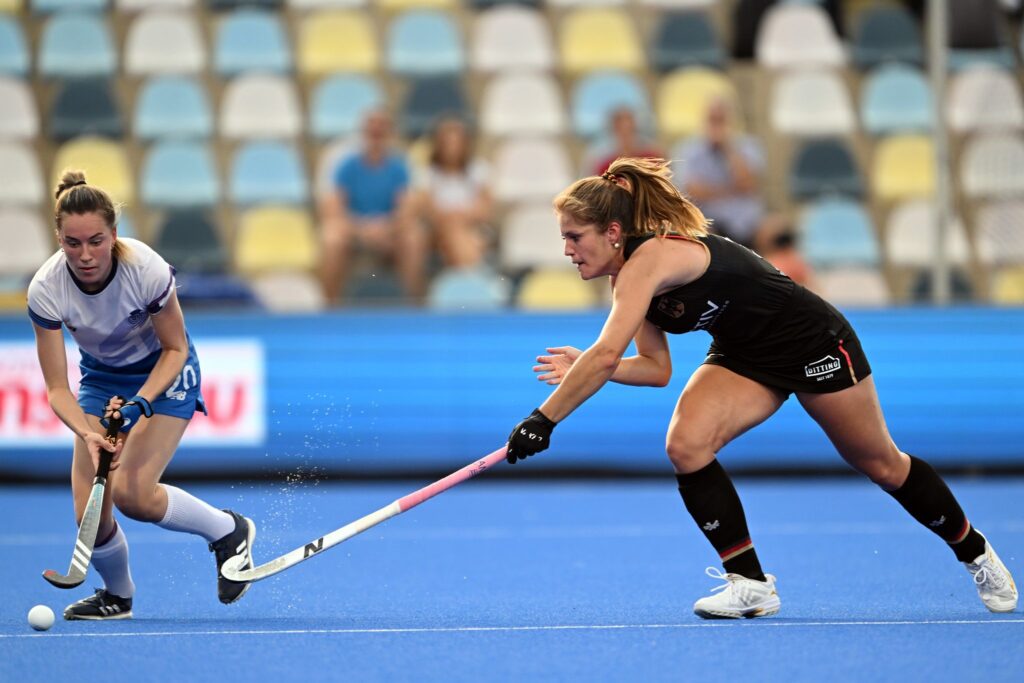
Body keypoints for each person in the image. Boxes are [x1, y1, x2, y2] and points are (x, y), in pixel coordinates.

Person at [504, 157, 1017, 619]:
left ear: (613, 231)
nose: (567, 250)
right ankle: (749, 583)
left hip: (812, 342)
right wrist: (587, 367)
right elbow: (655, 368)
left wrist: (544, 419)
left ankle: (975, 552)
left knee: (881, 463)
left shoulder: (651, 260)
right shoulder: (627, 281)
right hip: (745, 355)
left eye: (575, 237)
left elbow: (608, 353)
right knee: (686, 444)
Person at [28, 171, 257, 620]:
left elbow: (176, 348)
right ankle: (118, 596)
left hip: (164, 373)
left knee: (132, 492)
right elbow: (57, 388)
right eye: (72, 244)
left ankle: (228, 531)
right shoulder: (46, 289)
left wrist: (140, 404)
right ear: (59, 239)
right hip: (101, 379)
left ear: (114, 234)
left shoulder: (144, 269)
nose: (86, 255)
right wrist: (86, 432)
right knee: (89, 514)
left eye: (96, 241)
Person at [319, 109, 425, 305]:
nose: (376, 134)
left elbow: (407, 209)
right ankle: (329, 306)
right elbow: (334, 209)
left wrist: (387, 228)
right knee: (331, 237)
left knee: (414, 237)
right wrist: (362, 229)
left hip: (390, 230)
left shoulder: (400, 167)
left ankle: (412, 305)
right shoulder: (346, 166)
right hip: (354, 229)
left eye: (381, 129)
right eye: (372, 129)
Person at [676, 97, 766, 250]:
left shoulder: (749, 146)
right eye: (713, 120)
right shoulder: (689, 150)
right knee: (700, 237)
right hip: (710, 221)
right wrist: (730, 190)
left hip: (747, 221)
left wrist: (728, 148)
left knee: (777, 232)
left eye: (721, 120)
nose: (717, 126)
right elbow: (693, 191)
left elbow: (748, 183)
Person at [411, 116, 493, 269]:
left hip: (471, 227)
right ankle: (472, 273)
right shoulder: (428, 173)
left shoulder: (479, 169)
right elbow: (428, 208)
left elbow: (485, 208)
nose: (452, 148)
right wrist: (451, 219)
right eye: (447, 143)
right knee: (457, 234)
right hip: (437, 230)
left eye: (456, 142)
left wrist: (459, 218)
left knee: (463, 237)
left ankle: (465, 271)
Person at [585, 107, 664, 178]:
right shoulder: (601, 159)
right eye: (620, 128)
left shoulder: (651, 156)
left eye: (629, 128)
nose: (625, 132)